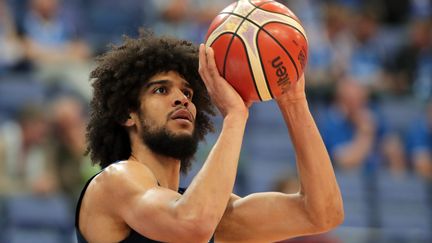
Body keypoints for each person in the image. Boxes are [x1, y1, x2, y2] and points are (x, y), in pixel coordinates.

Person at [75, 32, 344, 243]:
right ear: (127, 114)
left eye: (188, 94)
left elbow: (322, 214)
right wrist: (236, 116)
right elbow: (192, 224)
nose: (181, 99)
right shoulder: (115, 181)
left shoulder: (207, 210)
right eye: (160, 90)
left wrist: (294, 101)